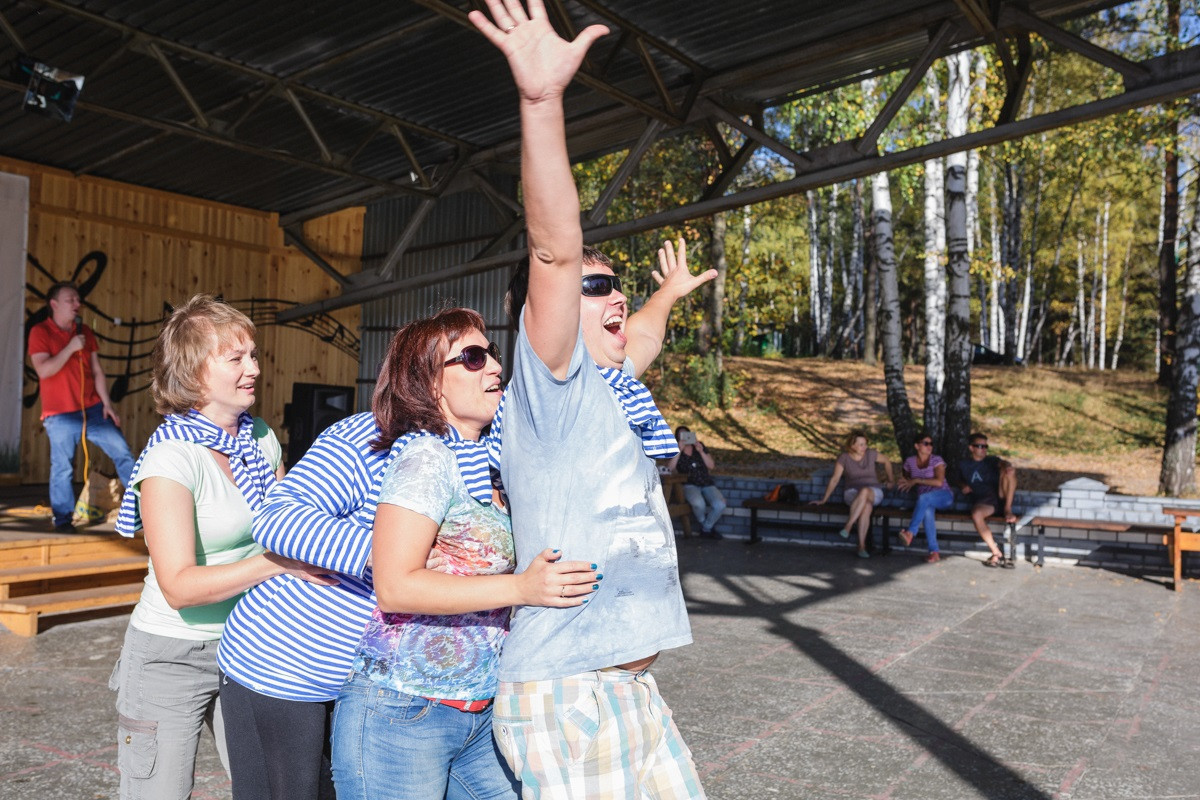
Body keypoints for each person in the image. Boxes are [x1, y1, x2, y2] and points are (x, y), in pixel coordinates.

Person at [470, 2, 715, 797]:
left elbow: (637, 335)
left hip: (630, 687)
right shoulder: (552, 391)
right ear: (544, 314)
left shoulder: (612, 383)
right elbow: (554, 243)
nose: (618, 296)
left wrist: (668, 296)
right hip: (567, 688)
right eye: (597, 285)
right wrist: (541, 105)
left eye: (618, 285)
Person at [330, 308, 599, 800]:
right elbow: (395, 585)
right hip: (403, 711)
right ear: (430, 385)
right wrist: (521, 588)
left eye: (492, 353)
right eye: (472, 358)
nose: (495, 366)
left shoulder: (489, 461)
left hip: (480, 710)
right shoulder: (425, 458)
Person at [109, 295, 333, 800]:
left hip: (252, 646)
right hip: (170, 655)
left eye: (253, 355)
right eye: (235, 358)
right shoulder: (171, 459)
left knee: (271, 789)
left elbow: (288, 528)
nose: (253, 368)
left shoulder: (262, 440)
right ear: (192, 371)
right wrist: (274, 565)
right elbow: (180, 587)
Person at [27, 281, 135, 532]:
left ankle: (140, 507)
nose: (78, 304)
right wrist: (70, 348)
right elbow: (44, 370)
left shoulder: (84, 330)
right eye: (71, 300)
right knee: (63, 466)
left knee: (122, 452)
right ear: (54, 304)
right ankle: (63, 519)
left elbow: (97, 371)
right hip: (60, 414)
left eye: (78, 300)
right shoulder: (40, 332)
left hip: (93, 409)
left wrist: (107, 404)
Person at [811, 430, 895, 558]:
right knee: (866, 506)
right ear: (852, 445)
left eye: (865, 444)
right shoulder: (844, 458)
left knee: (865, 490)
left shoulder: (871, 454)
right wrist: (824, 499)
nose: (864, 447)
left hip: (874, 492)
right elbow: (834, 479)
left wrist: (891, 480)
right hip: (852, 493)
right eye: (861, 444)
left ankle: (849, 525)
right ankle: (861, 546)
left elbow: (887, 461)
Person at [956, 431, 1016, 568]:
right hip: (984, 502)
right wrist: (962, 485)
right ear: (971, 448)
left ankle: (1008, 509)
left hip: (1000, 496)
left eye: (985, 447)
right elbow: (957, 480)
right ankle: (996, 552)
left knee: (1010, 471)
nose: (983, 450)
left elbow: (1004, 463)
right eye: (979, 446)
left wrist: (1006, 466)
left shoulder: (992, 461)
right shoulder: (964, 465)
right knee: (976, 514)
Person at [895, 431, 953, 563]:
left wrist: (916, 480)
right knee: (926, 511)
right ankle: (934, 552)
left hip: (943, 496)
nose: (929, 446)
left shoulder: (936, 460)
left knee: (924, 498)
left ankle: (910, 533)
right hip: (926, 500)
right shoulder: (909, 462)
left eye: (931, 444)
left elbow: (939, 482)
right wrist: (906, 482)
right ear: (917, 446)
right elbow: (907, 478)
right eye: (926, 443)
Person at [667, 425, 727, 539]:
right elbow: (670, 468)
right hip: (689, 484)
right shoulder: (676, 449)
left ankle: (706, 528)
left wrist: (701, 451)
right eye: (681, 435)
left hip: (706, 482)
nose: (684, 437)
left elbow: (711, 465)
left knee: (720, 504)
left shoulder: (699, 446)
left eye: (686, 434)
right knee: (698, 504)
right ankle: (708, 528)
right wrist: (679, 450)